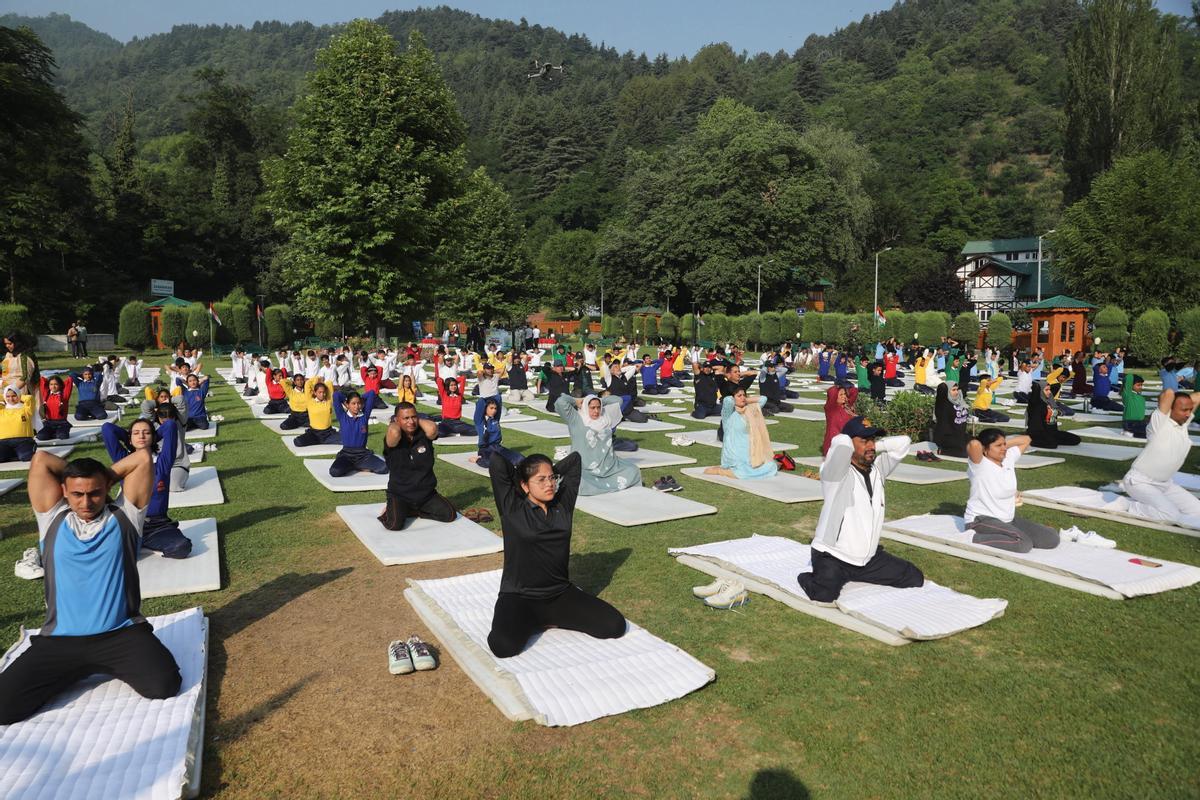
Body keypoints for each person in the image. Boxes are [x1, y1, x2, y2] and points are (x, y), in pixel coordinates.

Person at [0, 449, 181, 724]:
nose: (86, 502)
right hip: (59, 640)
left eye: (95, 493)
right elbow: (41, 459)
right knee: (4, 708)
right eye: (77, 494)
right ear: (63, 491)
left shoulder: (125, 517)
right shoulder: (51, 518)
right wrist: (82, 476)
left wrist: (103, 476)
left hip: (119, 635)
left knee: (164, 686)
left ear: (106, 488)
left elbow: (143, 458)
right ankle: (72, 669)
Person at [485, 452, 626, 658]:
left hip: (559, 595)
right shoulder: (512, 507)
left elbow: (576, 460)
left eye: (551, 478)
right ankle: (532, 619)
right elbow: (496, 461)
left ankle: (548, 619)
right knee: (502, 646)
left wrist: (546, 470)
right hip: (520, 596)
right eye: (541, 480)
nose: (549, 484)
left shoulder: (563, 505)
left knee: (614, 626)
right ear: (524, 486)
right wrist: (523, 472)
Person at [797, 417, 923, 601]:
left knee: (914, 577)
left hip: (868, 559)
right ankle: (805, 577)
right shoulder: (835, 473)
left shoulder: (878, 469)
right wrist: (850, 439)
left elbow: (904, 443)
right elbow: (840, 444)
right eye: (864, 441)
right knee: (824, 594)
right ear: (850, 443)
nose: (870, 446)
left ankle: (856, 574)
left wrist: (871, 446)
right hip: (832, 556)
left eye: (872, 440)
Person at [101, 417, 193, 557]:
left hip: (157, 526)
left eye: (146, 433)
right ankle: (138, 543)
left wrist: (153, 437)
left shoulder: (163, 462)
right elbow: (108, 429)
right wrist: (128, 439)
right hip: (128, 522)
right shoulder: (123, 461)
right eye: (136, 433)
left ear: (153, 436)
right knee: (108, 554)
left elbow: (169, 425)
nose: (141, 436)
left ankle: (144, 543)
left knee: (182, 547)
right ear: (130, 438)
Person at [965, 429, 1060, 552]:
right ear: (985, 449)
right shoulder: (979, 464)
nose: (1003, 448)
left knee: (1051, 538)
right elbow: (974, 445)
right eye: (998, 446)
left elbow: (1026, 440)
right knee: (1023, 543)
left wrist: (1002, 444)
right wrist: (990, 444)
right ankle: (972, 537)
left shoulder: (1007, 458)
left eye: (1004, 444)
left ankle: (1008, 533)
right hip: (981, 520)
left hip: (1008, 520)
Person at [1119, 388, 1200, 525]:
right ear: (1170, 409)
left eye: (1190, 410)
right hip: (1140, 482)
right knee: (1170, 515)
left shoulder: (1182, 424)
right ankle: (1128, 506)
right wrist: (1166, 403)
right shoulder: (1159, 424)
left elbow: (1197, 396)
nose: (1188, 414)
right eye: (1184, 410)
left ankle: (1157, 504)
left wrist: (1185, 404)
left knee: (1198, 510)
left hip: (1165, 484)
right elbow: (1168, 393)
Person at [376, 402, 457, 530]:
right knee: (394, 525)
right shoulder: (393, 438)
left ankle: (413, 511)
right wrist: (397, 422)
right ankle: (393, 509)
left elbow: (432, 429)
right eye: (406, 418)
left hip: (426, 494)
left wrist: (414, 420)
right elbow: (394, 431)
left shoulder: (424, 435)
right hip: (400, 495)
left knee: (450, 515)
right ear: (397, 420)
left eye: (414, 417)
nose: (411, 421)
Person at [555, 394, 641, 494]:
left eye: (598, 407)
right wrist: (577, 401)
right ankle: (601, 485)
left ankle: (602, 485)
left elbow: (618, 400)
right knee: (576, 482)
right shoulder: (575, 418)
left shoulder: (605, 417)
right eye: (592, 408)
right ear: (585, 407)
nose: (596, 411)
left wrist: (598, 400)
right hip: (585, 468)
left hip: (609, 467)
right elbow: (560, 402)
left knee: (633, 470)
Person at [705, 388, 778, 480]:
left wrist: (745, 400)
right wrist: (737, 399)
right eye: (739, 396)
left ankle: (738, 471)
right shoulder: (728, 415)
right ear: (734, 398)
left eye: (744, 395)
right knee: (743, 471)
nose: (743, 397)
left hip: (749, 453)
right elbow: (728, 400)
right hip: (735, 456)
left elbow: (763, 399)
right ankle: (723, 471)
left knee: (771, 466)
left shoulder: (749, 411)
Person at [329, 389, 388, 477]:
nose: (357, 406)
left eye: (358, 403)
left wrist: (358, 397)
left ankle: (357, 466)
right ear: (347, 404)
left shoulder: (364, 415)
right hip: (346, 454)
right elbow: (336, 395)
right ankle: (354, 466)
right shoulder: (342, 416)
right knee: (334, 472)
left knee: (384, 468)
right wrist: (348, 397)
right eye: (353, 403)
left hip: (363, 455)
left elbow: (371, 393)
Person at [1026, 382, 1081, 449]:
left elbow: (1057, 385)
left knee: (1076, 439)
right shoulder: (1035, 403)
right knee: (1052, 444)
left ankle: (1051, 439)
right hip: (1037, 433)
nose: (1049, 392)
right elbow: (1035, 427)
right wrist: (1037, 386)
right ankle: (1029, 441)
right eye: (1046, 390)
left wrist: (1046, 385)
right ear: (1039, 391)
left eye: (1049, 390)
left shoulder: (1049, 401)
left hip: (1052, 432)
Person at [473, 396, 522, 469]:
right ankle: (477, 459)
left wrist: (493, 398)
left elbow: (498, 398)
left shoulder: (495, 419)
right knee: (491, 464)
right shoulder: (479, 420)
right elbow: (480, 401)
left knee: (520, 459)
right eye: (491, 408)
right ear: (485, 408)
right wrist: (487, 397)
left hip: (498, 448)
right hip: (486, 449)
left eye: (495, 408)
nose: (494, 411)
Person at [293, 380, 339, 447]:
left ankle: (324, 440)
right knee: (298, 442)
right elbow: (308, 384)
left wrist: (322, 382)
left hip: (328, 433)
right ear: (315, 392)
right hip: (314, 433)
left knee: (348, 440)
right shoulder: (310, 401)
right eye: (319, 392)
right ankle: (321, 440)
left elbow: (329, 384)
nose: (322, 394)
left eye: (323, 392)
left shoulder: (328, 401)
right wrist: (318, 378)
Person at [932, 382, 970, 458]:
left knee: (979, 445)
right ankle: (942, 451)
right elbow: (941, 390)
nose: (956, 392)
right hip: (946, 437)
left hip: (960, 436)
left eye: (957, 389)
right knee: (966, 453)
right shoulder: (944, 403)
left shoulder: (960, 401)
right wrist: (944, 386)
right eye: (953, 390)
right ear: (947, 391)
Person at [0, 385, 37, 462]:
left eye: (14, 396)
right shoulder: (1, 410)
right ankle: (13, 453)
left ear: (19, 395)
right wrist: (3, 396)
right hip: (3, 442)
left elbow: (30, 398)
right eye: (8, 396)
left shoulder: (26, 409)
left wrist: (20, 396)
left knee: (26, 457)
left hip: (23, 441)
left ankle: (18, 453)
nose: (11, 399)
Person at [820, 383, 858, 456]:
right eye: (841, 395)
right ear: (834, 397)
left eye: (845, 394)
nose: (844, 396)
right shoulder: (831, 408)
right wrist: (838, 386)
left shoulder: (847, 406)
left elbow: (855, 392)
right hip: (833, 445)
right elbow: (832, 391)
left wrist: (847, 386)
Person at [37, 374, 74, 441]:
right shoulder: (46, 394)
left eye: (56, 384)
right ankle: (54, 433)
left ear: (60, 385)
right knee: (40, 436)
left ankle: (58, 432)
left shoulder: (64, 394)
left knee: (62, 436)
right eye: (51, 384)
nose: (53, 386)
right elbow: (42, 380)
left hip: (61, 423)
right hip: (49, 423)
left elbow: (69, 380)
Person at [2, 333, 39, 398]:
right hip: (6, 391)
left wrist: (11, 390)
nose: (7, 346)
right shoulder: (9, 355)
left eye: (10, 343)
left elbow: (25, 377)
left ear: (17, 343)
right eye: (6, 344)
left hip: (20, 392)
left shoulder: (25, 356)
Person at [1122, 373, 1147, 438]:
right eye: (1138, 385)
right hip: (1130, 423)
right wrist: (1134, 376)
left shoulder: (1141, 397)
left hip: (1140, 422)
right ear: (1130, 385)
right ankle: (1130, 433)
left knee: (1153, 431)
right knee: (1150, 434)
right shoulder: (1128, 395)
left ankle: (1131, 433)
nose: (1140, 387)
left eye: (1141, 385)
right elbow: (1129, 378)